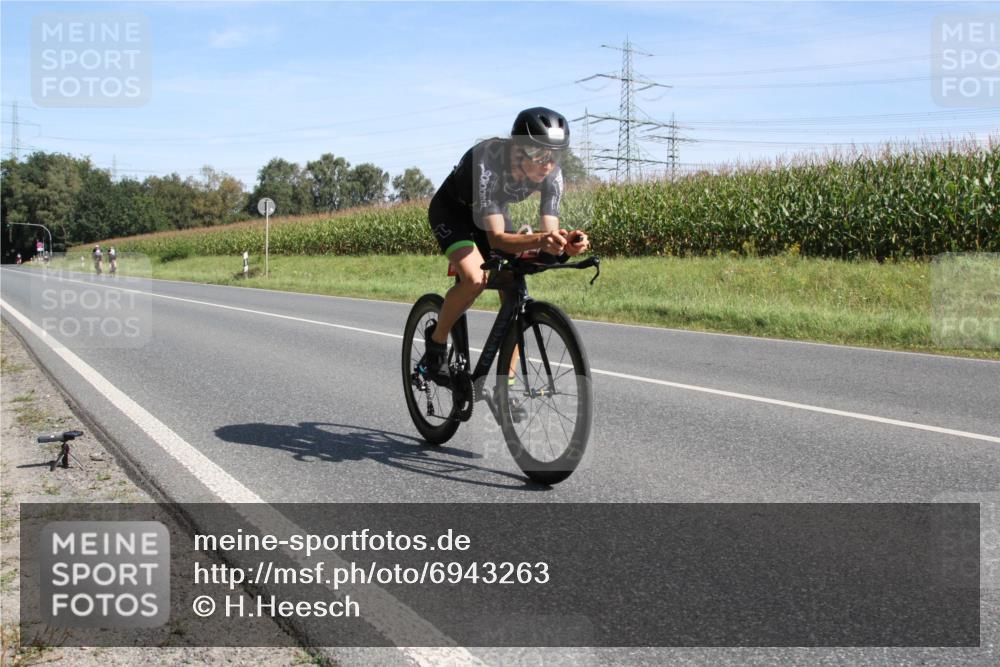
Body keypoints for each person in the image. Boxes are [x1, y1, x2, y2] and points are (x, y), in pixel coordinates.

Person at [418, 107, 590, 383]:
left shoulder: (552, 176)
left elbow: (549, 234)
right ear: (517, 150)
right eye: (540, 154)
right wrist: (540, 239)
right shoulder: (487, 163)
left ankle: (504, 388)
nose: (548, 164)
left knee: (514, 289)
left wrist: (563, 246)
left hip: (491, 212)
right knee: (475, 279)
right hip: (453, 213)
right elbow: (498, 239)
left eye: (556, 155)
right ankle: (436, 345)